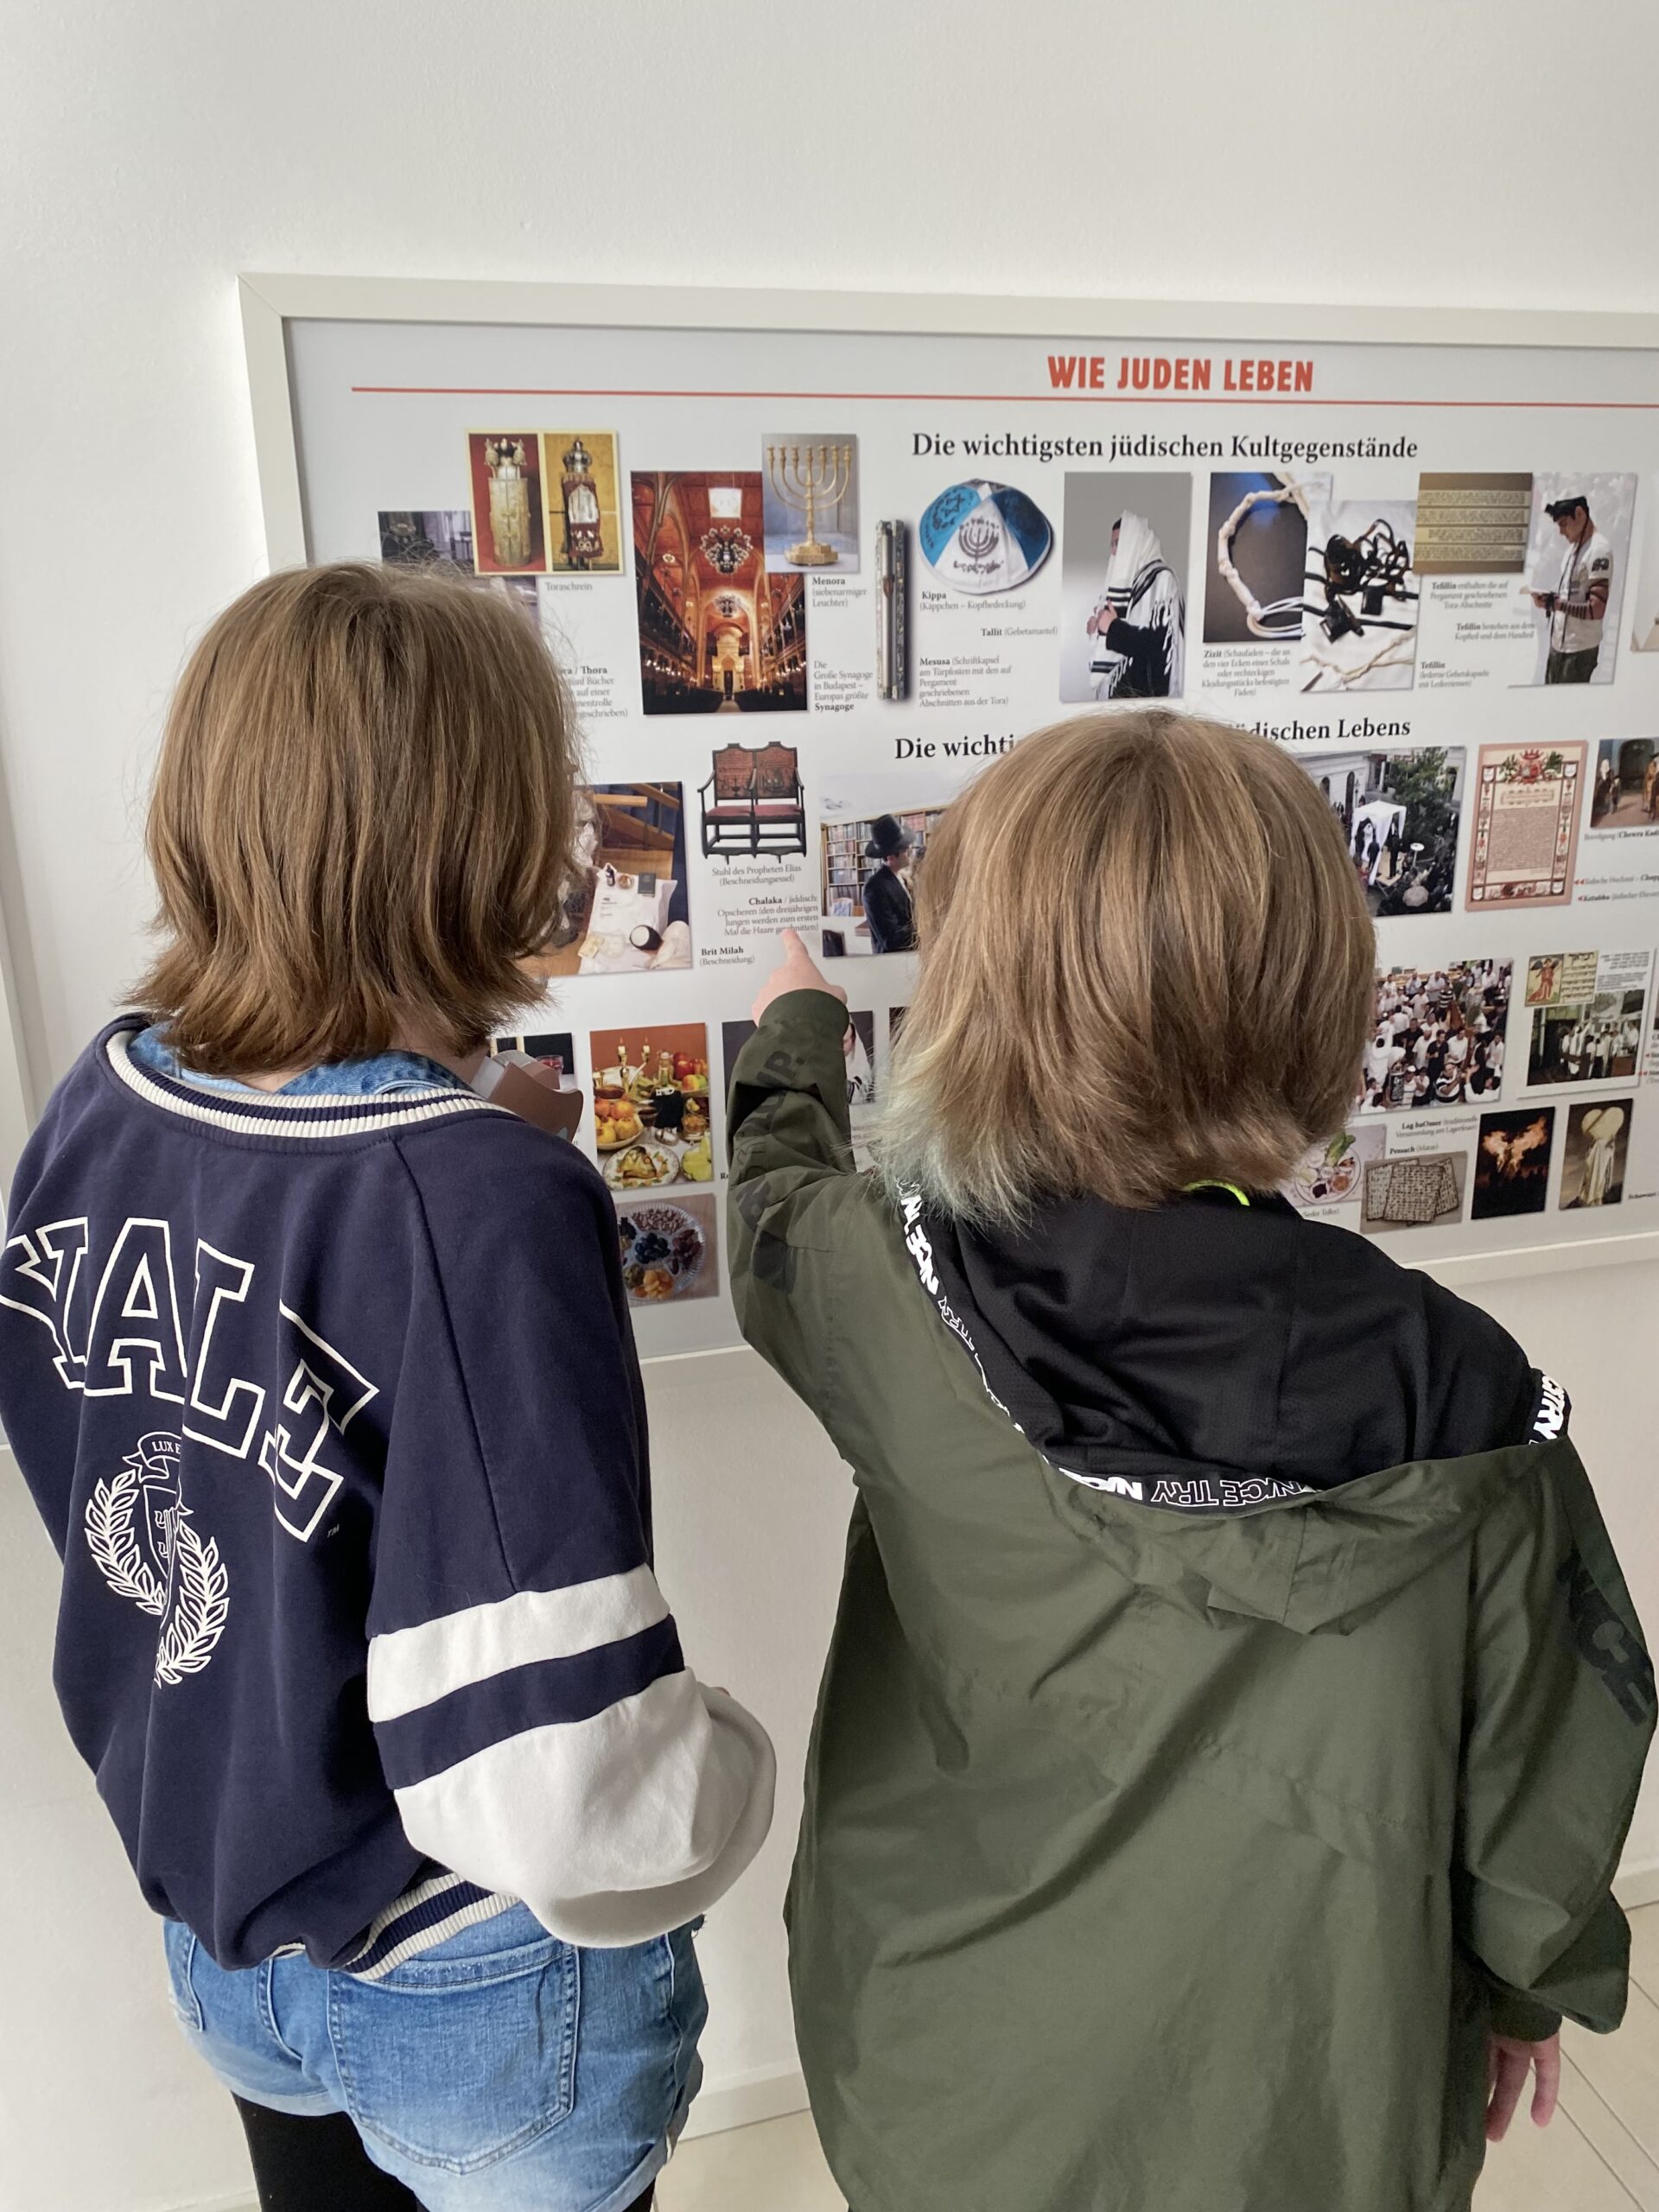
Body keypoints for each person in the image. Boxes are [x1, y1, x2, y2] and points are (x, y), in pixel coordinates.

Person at [724, 709, 1654, 2212]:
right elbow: (1542, 1778)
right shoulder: (1471, 1403)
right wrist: (1529, 1992)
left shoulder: (878, 1286)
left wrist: (796, 1030)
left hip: (950, 2072)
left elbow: (772, 1200)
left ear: (978, 998)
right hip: (1311, 2108)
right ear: (1320, 998)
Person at [0, 563, 775, 2212]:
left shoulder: (101, 1099)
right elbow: (569, 1793)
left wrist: (465, 1140)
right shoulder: (489, 1206)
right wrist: (736, 1773)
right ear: (487, 833)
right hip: (466, 1977)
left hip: (223, 1916)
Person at [1086, 512, 1185, 698]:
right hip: (1122, 699)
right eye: (1112, 545)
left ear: (1135, 543)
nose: (1114, 552)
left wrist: (1113, 628)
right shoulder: (1125, 585)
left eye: (1119, 544)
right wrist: (1097, 631)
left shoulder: (1162, 579)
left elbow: (1159, 648)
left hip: (1147, 701)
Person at [1531, 490, 1614, 683]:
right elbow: (1570, 593)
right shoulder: (1572, 550)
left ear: (1580, 514)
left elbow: (1597, 609)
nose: (1561, 532)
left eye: (1563, 524)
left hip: (1579, 651)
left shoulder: (1599, 550)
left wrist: (1559, 605)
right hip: (1559, 646)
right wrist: (1549, 600)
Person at [861, 815, 916, 954]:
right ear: (891, 858)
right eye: (905, 848)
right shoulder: (874, 888)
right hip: (894, 960)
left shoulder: (903, 877)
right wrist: (926, 927)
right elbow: (891, 940)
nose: (911, 850)